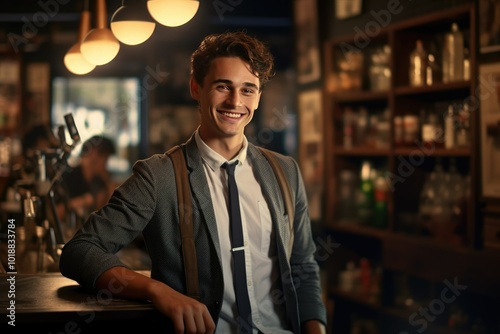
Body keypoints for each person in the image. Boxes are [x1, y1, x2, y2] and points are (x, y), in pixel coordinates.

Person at [60, 31, 327, 333]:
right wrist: (156, 290)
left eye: (248, 89)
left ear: (258, 96)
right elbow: (79, 251)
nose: (235, 101)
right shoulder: (157, 176)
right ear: (196, 87)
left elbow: (303, 266)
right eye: (222, 86)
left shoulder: (285, 171)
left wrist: (315, 328)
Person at [56, 135, 116, 225]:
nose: (106, 165)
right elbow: (56, 212)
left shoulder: (99, 181)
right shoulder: (68, 177)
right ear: (94, 154)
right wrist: (83, 200)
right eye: (106, 159)